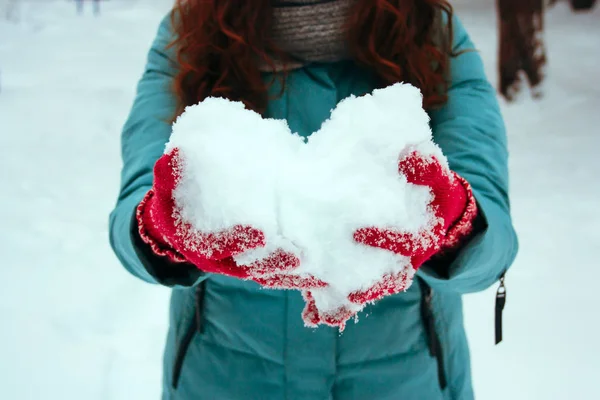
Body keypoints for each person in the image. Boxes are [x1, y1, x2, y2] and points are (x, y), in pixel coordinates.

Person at [109, 0, 518, 399]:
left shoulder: (431, 30)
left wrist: (454, 223)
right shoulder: (189, 32)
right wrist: (159, 231)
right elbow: (133, 206)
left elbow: (492, 235)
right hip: (223, 376)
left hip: (406, 377)